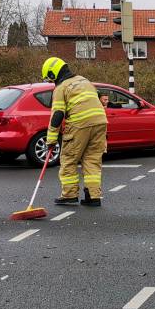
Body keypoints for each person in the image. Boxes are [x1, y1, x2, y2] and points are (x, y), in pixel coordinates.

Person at [41, 57, 108, 206]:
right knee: (92, 160)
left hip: (79, 123)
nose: (51, 82)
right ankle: (93, 196)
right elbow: (97, 97)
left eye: (50, 79)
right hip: (100, 122)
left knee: (68, 159)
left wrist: (51, 140)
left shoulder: (61, 88)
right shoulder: (84, 80)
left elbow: (57, 115)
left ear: (53, 74)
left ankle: (69, 194)